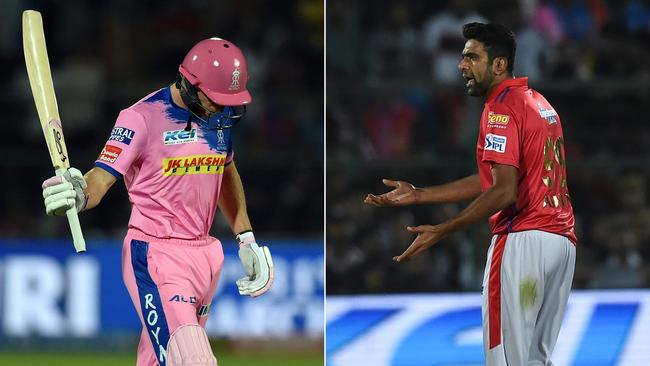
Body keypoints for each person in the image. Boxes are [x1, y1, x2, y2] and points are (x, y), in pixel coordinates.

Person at [41, 37, 274, 366]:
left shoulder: (218, 119)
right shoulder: (141, 117)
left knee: (157, 360)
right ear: (190, 84)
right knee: (191, 359)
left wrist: (245, 236)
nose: (223, 109)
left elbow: (225, 169)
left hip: (206, 254)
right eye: (217, 99)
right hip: (156, 254)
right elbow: (102, 177)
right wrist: (77, 193)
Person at [365, 23, 576, 366]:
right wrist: (420, 195)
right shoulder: (538, 103)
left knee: (505, 361)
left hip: (521, 240)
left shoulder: (500, 108)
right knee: (536, 361)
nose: (462, 65)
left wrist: (442, 229)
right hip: (561, 242)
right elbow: (496, 179)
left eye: (471, 57)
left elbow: (504, 191)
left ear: (499, 64)